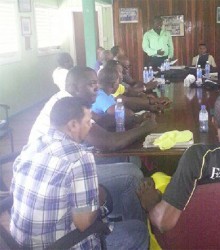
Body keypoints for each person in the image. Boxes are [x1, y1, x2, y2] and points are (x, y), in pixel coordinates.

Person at [10, 97, 148, 249]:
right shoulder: (80, 157)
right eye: (88, 122)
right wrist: (101, 202)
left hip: (21, 243)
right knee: (138, 230)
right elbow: (84, 223)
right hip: (62, 245)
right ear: (73, 125)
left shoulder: (32, 146)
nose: (90, 126)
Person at [28, 66, 156, 223]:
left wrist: (135, 119)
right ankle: (134, 226)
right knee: (131, 172)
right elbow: (109, 143)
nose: (97, 87)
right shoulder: (69, 106)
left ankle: (119, 215)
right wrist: (146, 128)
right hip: (56, 174)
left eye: (97, 82)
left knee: (131, 158)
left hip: (52, 166)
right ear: (74, 87)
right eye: (91, 84)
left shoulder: (70, 100)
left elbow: (100, 121)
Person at [137, 91, 220, 233]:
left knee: (155, 179)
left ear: (214, 122)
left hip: (190, 235)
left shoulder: (199, 156)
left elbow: (163, 222)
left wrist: (149, 202)